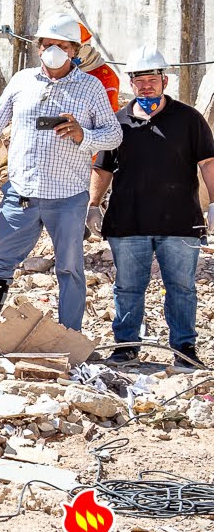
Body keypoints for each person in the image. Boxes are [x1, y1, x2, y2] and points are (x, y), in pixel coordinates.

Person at [0, 13, 121, 335]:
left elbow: (114, 135)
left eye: (62, 45)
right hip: (22, 193)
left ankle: (68, 336)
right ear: (38, 47)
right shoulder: (22, 81)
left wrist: (84, 135)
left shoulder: (91, 87)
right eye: (48, 44)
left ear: (74, 51)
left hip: (68, 198)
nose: (54, 49)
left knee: (69, 269)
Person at [90, 49, 214, 366]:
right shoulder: (118, 122)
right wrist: (92, 204)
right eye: (139, 81)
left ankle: (184, 350)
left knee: (182, 288)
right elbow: (102, 168)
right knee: (128, 288)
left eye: (152, 80)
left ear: (164, 81)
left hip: (181, 222)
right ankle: (127, 346)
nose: (146, 87)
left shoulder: (189, 119)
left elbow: (208, 163)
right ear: (131, 83)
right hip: (128, 222)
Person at [76, 23, 122, 111]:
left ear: (86, 47)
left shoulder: (106, 77)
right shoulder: (62, 70)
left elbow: (109, 117)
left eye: (76, 49)